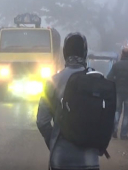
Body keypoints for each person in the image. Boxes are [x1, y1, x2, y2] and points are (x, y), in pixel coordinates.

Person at [37, 32, 100, 170]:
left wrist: (53, 141)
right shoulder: (97, 80)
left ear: (64, 53)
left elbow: (42, 121)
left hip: (60, 157)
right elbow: (109, 120)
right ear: (85, 52)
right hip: (90, 159)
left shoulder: (52, 81)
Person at [107, 48, 128, 140]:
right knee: (127, 114)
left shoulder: (116, 65)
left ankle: (114, 131)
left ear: (122, 54)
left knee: (117, 112)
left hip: (118, 91)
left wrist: (116, 82)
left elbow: (109, 77)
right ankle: (123, 135)